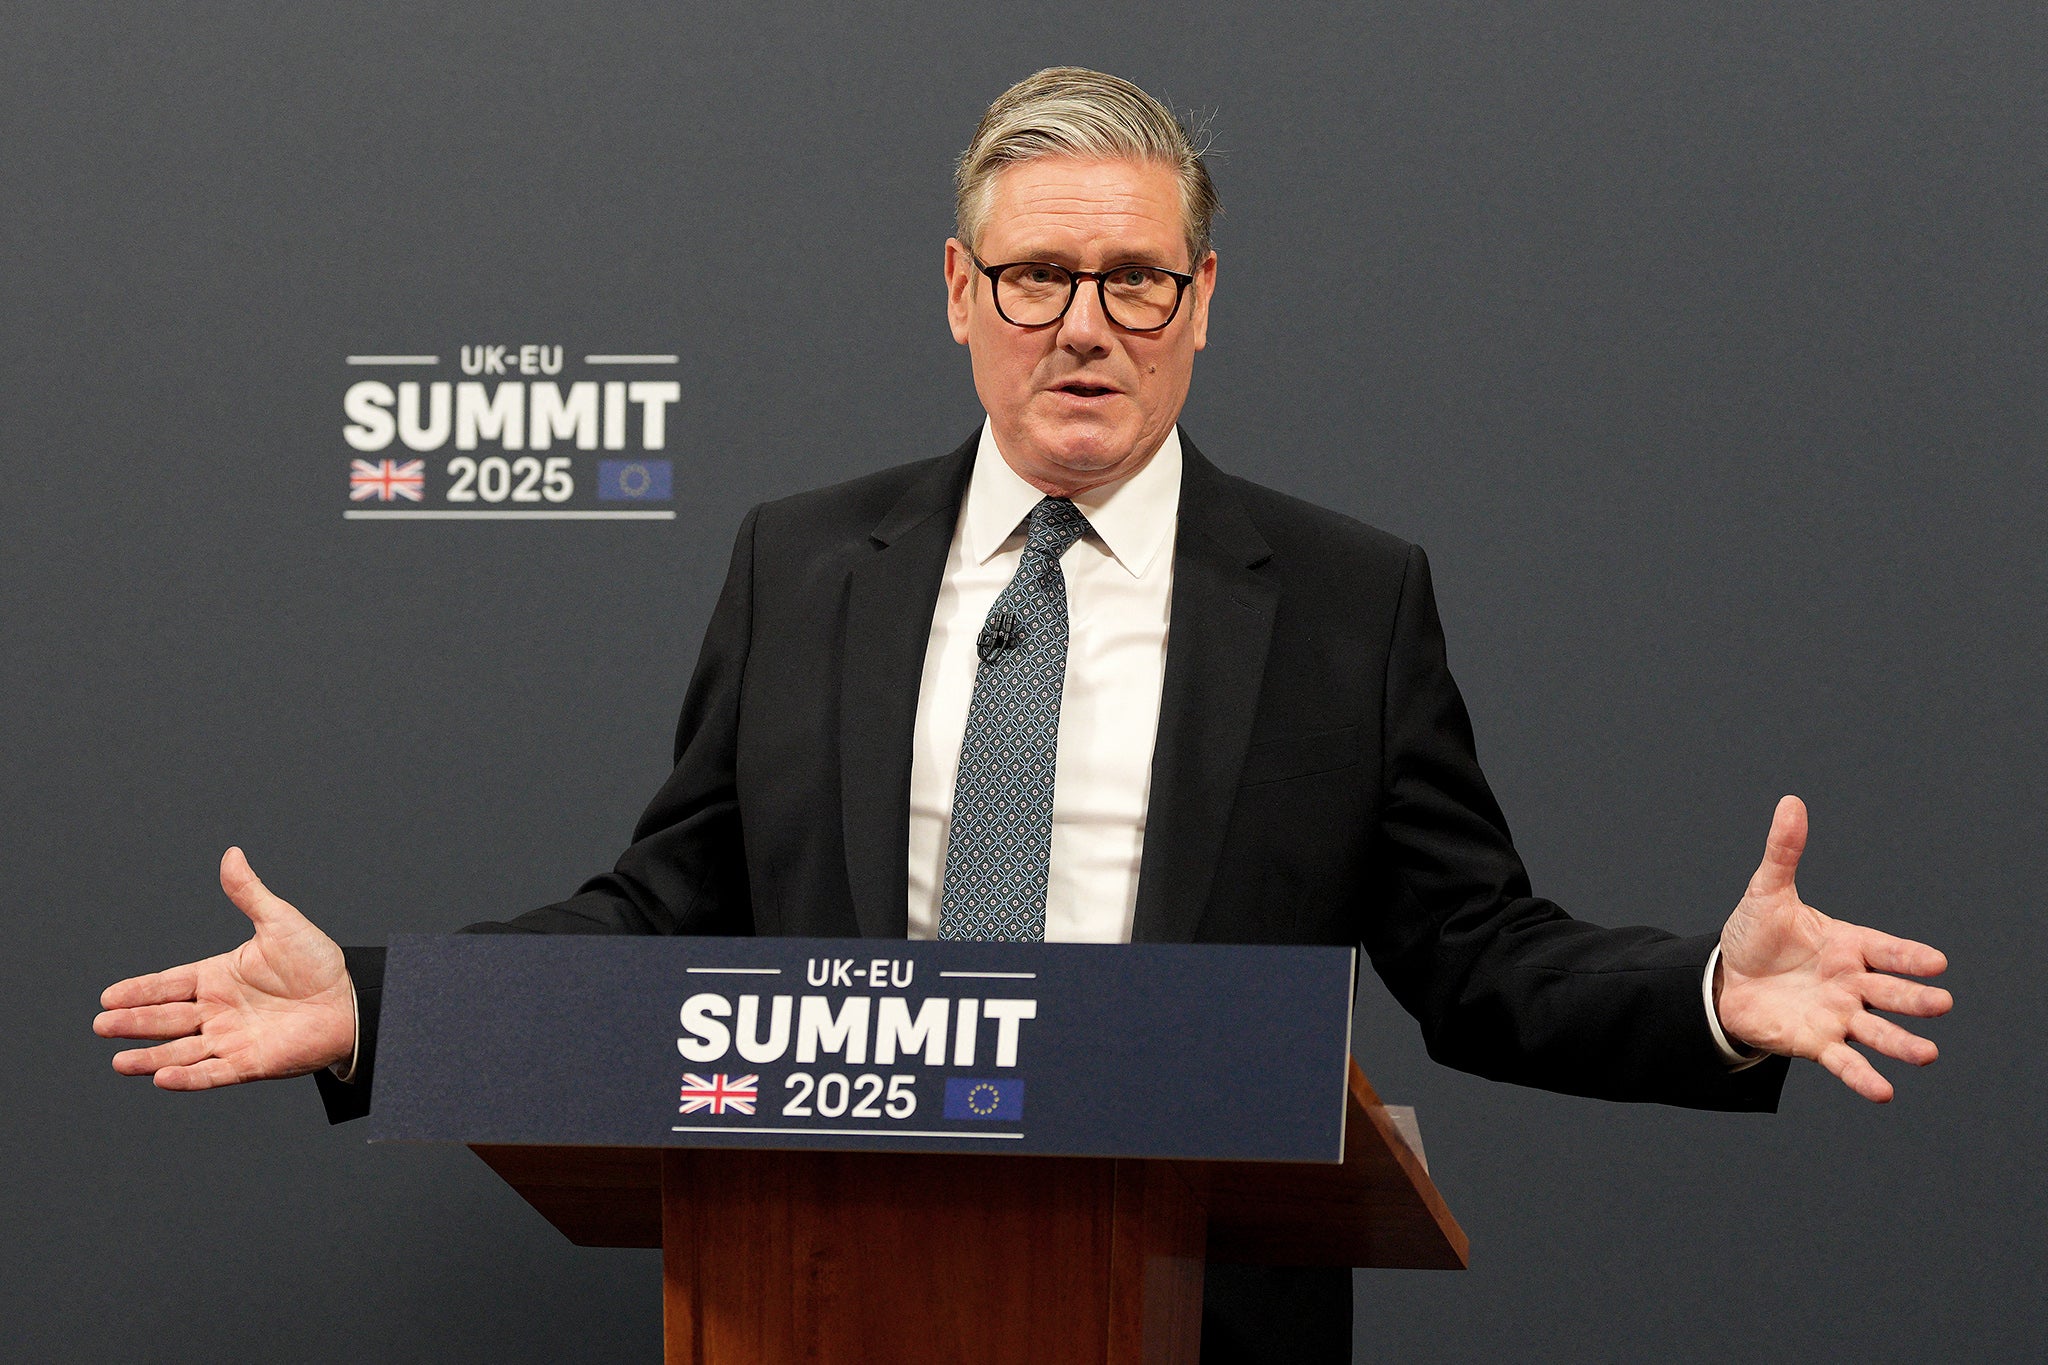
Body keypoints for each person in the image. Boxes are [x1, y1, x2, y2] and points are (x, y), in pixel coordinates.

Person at [96, 67, 1952, 1365]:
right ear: (962, 298)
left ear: (1202, 301)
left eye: (1136, 277)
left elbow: (1475, 956)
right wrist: (383, 1007)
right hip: (813, 1295)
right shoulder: (802, 560)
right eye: (1039, 277)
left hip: (1200, 1314)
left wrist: (1716, 995)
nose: (1088, 323)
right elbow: (666, 913)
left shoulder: (1343, 599)